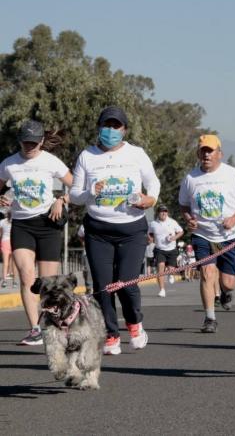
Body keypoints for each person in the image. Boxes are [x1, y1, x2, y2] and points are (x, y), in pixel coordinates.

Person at [70, 106, 160, 355]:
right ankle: (111, 334)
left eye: (116, 126)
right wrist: (90, 192)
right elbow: (74, 195)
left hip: (132, 229)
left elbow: (153, 181)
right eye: (106, 125)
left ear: (124, 129)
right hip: (98, 230)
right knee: (102, 285)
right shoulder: (87, 156)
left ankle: (134, 323)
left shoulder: (136, 154)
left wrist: (149, 198)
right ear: (99, 128)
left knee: (126, 283)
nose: (111, 130)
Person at [0, 120, 72, 345]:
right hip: (22, 224)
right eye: (25, 142)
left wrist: (62, 199)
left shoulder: (51, 161)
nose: (29, 147)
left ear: (41, 141)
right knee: (26, 276)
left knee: (49, 283)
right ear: (19, 141)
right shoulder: (8, 164)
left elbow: (77, 186)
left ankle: (53, 325)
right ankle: (34, 329)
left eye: (33, 142)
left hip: (48, 223)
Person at [179, 134, 235, 333]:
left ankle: (226, 293)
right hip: (203, 235)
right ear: (198, 153)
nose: (206, 155)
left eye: (210, 151)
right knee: (207, 273)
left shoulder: (233, 175)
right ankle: (210, 318)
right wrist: (189, 220)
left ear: (219, 154)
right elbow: (184, 205)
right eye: (203, 151)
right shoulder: (190, 178)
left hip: (229, 235)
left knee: (228, 282)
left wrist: (234, 219)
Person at [148, 204, 184, 298]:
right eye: (161, 211)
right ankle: (162, 290)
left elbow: (181, 231)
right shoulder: (153, 223)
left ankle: (170, 274)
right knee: (160, 268)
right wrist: (150, 239)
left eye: (165, 211)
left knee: (171, 269)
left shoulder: (172, 222)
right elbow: (150, 234)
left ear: (167, 212)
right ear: (158, 213)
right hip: (160, 249)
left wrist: (174, 237)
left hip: (171, 249)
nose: (163, 213)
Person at [0, 210, 16, 288]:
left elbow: (1, 233)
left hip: (4, 242)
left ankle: (4, 281)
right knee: (14, 264)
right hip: (14, 242)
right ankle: (15, 282)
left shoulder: (2, 222)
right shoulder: (15, 222)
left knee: (5, 263)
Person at [77, 224, 92, 294]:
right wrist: (84, 243)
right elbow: (80, 235)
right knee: (88, 271)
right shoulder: (84, 225)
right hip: (88, 253)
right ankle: (89, 290)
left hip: (102, 253)